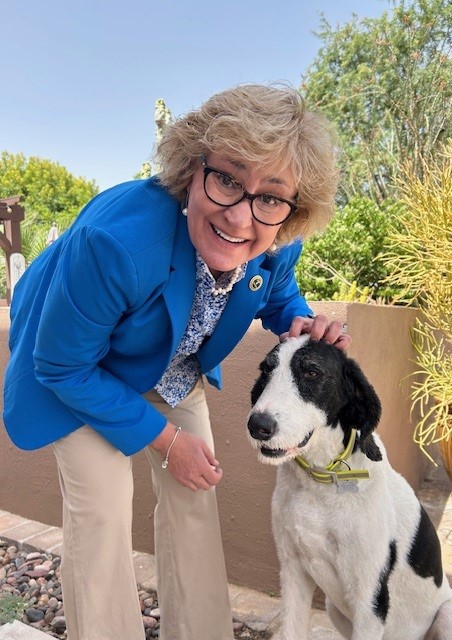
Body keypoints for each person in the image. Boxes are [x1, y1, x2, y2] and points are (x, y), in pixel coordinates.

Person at [3, 83, 350, 640]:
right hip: (77, 369)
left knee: (195, 493)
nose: (242, 217)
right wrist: (166, 441)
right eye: (228, 179)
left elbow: (277, 295)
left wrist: (299, 321)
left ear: (290, 209)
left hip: (168, 362)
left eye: (270, 197)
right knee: (104, 508)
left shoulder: (277, 238)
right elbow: (64, 367)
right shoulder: (114, 243)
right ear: (193, 169)